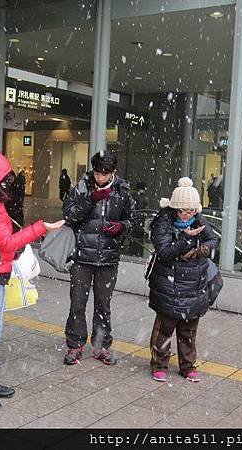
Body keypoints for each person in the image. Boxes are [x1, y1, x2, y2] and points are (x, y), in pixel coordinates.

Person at [0, 150, 64, 413]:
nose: (8, 184)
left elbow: (4, 244)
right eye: (3, 179)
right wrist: (41, 228)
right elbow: (7, 242)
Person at [62, 151, 138, 366]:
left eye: (105, 174)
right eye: (97, 173)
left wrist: (121, 227)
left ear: (113, 173)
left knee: (103, 304)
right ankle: (75, 345)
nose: (100, 178)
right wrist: (89, 200)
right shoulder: (82, 187)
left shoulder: (122, 191)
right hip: (82, 257)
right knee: (77, 302)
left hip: (108, 257)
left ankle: (101, 345)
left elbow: (132, 219)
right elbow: (69, 215)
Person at [147, 177, 219, 383]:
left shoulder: (198, 220)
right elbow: (165, 252)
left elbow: (213, 239)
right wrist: (186, 239)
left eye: (193, 210)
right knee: (165, 328)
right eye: (186, 210)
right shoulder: (163, 223)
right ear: (176, 209)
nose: (190, 214)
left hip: (194, 284)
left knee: (188, 329)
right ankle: (159, 364)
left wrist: (202, 250)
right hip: (168, 284)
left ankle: (187, 366)